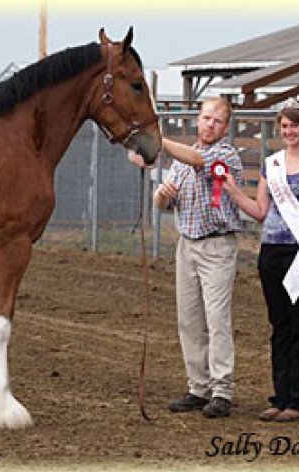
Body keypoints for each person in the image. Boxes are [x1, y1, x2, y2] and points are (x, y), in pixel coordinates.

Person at [129, 97, 243, 418]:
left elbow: (197, 160)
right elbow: (162, 199)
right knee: (189, 319)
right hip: (188, 245)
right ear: (198, 119)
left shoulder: (225, 155)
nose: (210, 125)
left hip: (217, 246)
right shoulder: (182, 159)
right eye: (206, 118)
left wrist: (158, 141)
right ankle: (198, 386)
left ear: (226, 126)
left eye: (217, 121)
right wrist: (162, 197)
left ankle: (222, 389)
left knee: (216, 319)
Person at [223, 98, 299, 422]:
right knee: (280, 326)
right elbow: (261, 211)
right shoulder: (270, 165)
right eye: (284, 126)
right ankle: (280, 396)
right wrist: (234, 192)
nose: (288, 131)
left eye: (294, 126)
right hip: (272, 251)